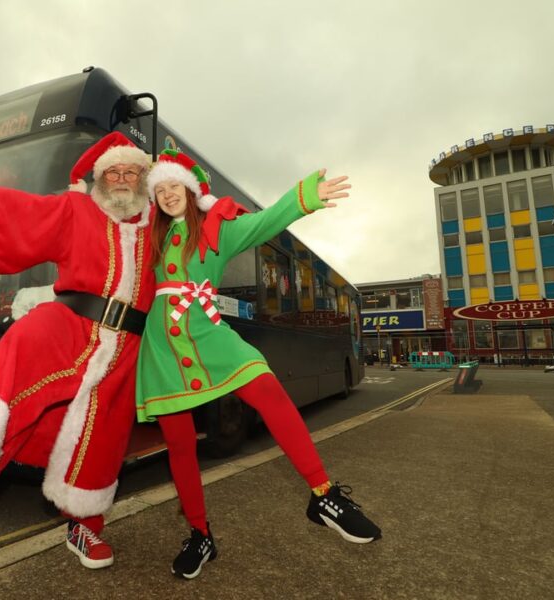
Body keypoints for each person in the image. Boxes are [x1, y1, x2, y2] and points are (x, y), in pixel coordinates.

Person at [0, 131, 156, 570]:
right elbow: (25, 214)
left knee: (102, 437)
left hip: (130, 344)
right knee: (25, 337)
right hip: (73, 320)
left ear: (143, 178)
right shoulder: (76, 207)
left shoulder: (161, 225)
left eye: (130, 171)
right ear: (98, 179)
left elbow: (209, 220)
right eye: (111, 171)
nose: (120, 178)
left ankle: (85, 528)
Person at [136, 150, 382, 579]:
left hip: (208, 333)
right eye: (159, 189)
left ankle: (323, 495)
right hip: (160, 348)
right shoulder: (148, 238)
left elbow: (266, 223)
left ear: (191, 189)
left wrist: (305, 197)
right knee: (179, 445)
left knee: (267, 389)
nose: (167, 194)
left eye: (174, 185)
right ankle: (200, 535)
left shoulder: (216, 230)